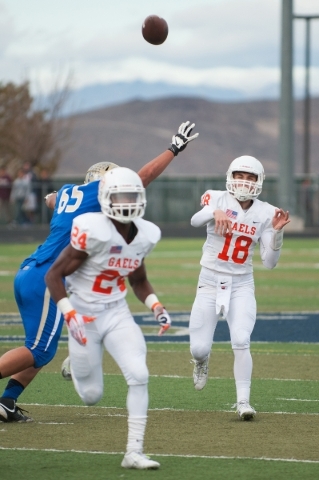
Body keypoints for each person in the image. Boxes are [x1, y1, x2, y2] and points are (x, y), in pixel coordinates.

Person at [0, 121, 198, 422]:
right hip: (45, 276)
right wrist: (173, 149)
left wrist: (55, 199)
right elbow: (144, 176)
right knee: (39, 350)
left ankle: (7, 402)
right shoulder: (98, 194)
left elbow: (52, 199)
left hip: (34, 272)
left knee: (44, 346)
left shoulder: (69, 193)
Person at [45, 167, 169, 470]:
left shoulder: (146, 234)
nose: (126, 202)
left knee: (139, 374)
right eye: (119, 195)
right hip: (84, 316)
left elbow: (138, 280)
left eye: (132, 195)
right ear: (104, 198)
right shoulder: (92, 229)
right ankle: (76, 365)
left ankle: (133, 452)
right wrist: (69, 312)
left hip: (116, 312)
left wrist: (156, 306)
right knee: (91, 396)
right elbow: (54, 275)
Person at [189, 155, 290, 420]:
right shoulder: (215, 197)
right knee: (198, 348)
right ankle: (201, 362)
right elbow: (195, 221)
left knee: (241, 340)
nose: (243, 182)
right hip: (209, 280)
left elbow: (269, 262)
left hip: (242, 283)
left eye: (250, 178)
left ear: (259, 182)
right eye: (239, 176)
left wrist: (277, 233)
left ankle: (243, 402)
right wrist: (214, 211)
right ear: (230, 177)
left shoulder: (267, 212)